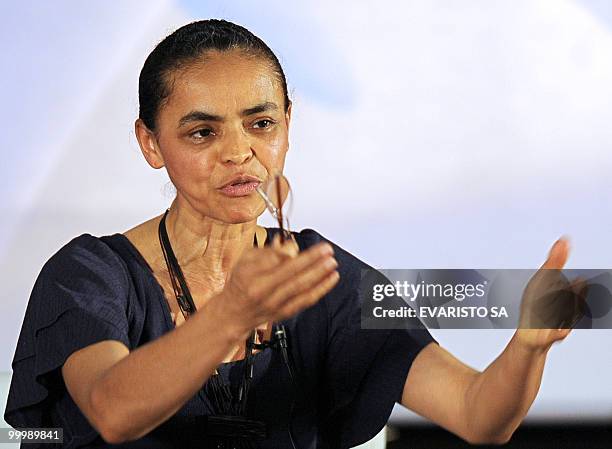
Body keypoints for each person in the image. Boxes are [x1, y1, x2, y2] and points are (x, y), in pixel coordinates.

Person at [3, 19, 582, 449]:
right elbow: (113, 410)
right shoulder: (91, 275)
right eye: (202, 132)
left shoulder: (321, 273)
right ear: (151, 143)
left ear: (287, 124)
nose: (240, 153)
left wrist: (526, 349)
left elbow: (479, 414)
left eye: (261, 124)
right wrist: (231, 314)